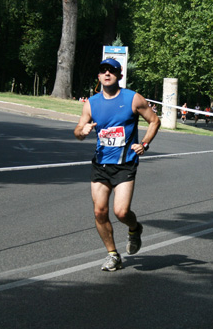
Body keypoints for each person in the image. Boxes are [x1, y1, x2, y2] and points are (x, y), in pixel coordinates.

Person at [74, 58, 160, 272]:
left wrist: (145, 144)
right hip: (101, 164)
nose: (107, 74)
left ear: (119, 75)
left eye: (111, 70)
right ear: (99, 76)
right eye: (103, 70)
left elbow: (154, 120)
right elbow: (78, 130)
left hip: (125, 164)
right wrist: (82, 133)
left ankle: (134, 228)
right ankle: (113, 254)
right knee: (99, 211)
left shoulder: (133, 98)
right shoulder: (91, 103)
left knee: (121, 212)